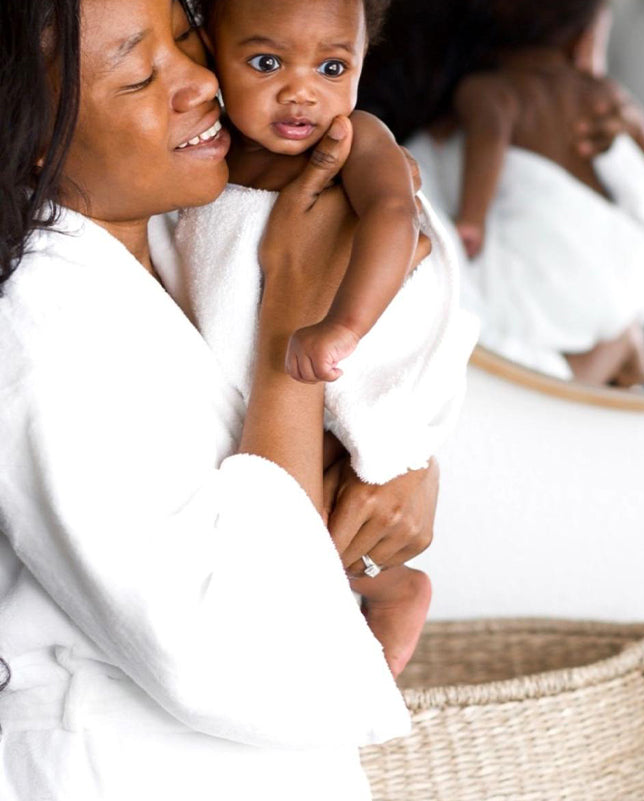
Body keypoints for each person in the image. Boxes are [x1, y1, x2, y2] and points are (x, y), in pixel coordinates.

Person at [0, 0, 438, 797]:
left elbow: (289, 500)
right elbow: (237, 641)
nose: (201, 81)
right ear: (31, 142)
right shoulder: (33, 333)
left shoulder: (191, 247)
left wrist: (398, 460)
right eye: (140, 73)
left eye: (186, 33)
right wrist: (291, 322)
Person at [184, 0, 478, 676]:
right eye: (265, 63)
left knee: (312, 503)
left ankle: (393, 585)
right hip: (268, 356)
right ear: (208, 51)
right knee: (286, 502)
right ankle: (374, 590)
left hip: (345, 345)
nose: (302, 91)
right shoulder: (206, 151)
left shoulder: (353, 138)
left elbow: (393, 214)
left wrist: (343, 324)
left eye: (332, 66)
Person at [361, 0, 644, 388]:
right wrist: (613, 348)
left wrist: (472, 218)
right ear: (582, 42)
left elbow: (488, 139)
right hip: (612, 316)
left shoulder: (490, 108)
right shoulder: (417, 171)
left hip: (581, 331)